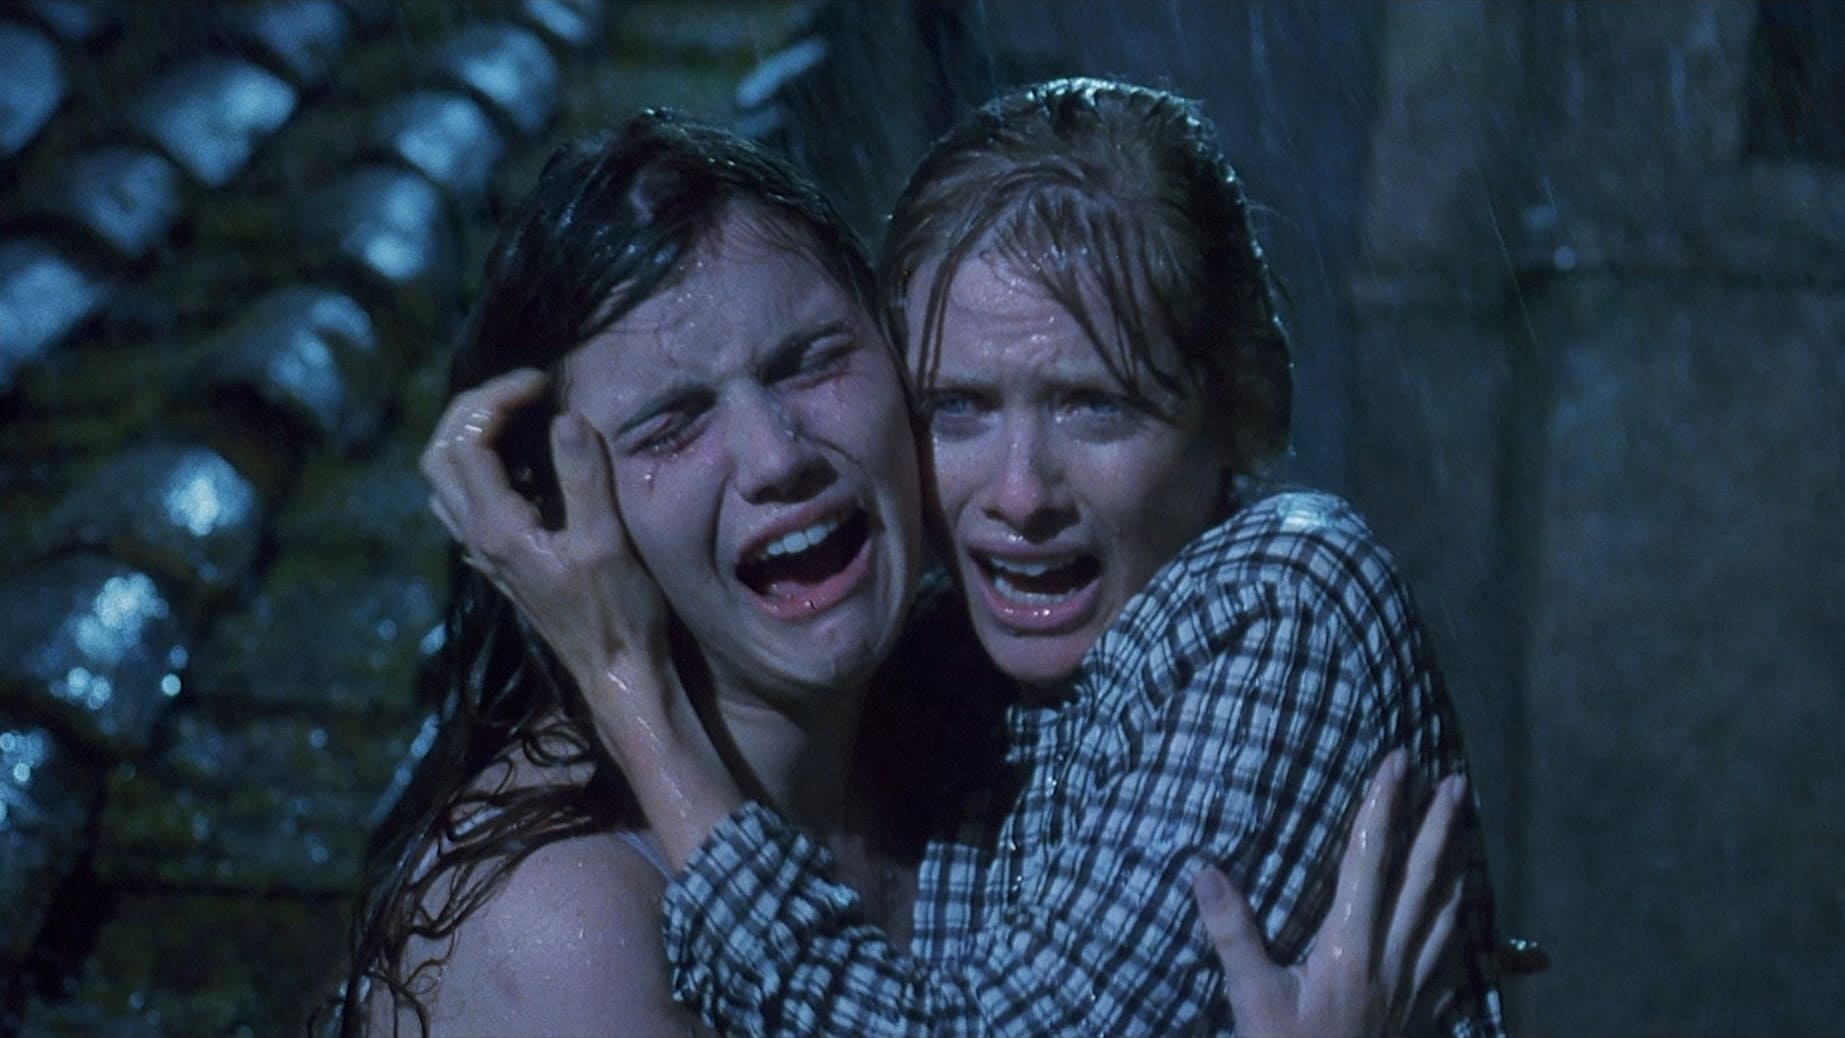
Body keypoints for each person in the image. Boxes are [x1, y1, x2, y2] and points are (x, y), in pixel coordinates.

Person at [333, 108, 1459, 1038]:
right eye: (673, 424)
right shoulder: (564, 928)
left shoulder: (951, 726)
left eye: (811, 363)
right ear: (552, 516)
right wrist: (623, 674)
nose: (776, 457)